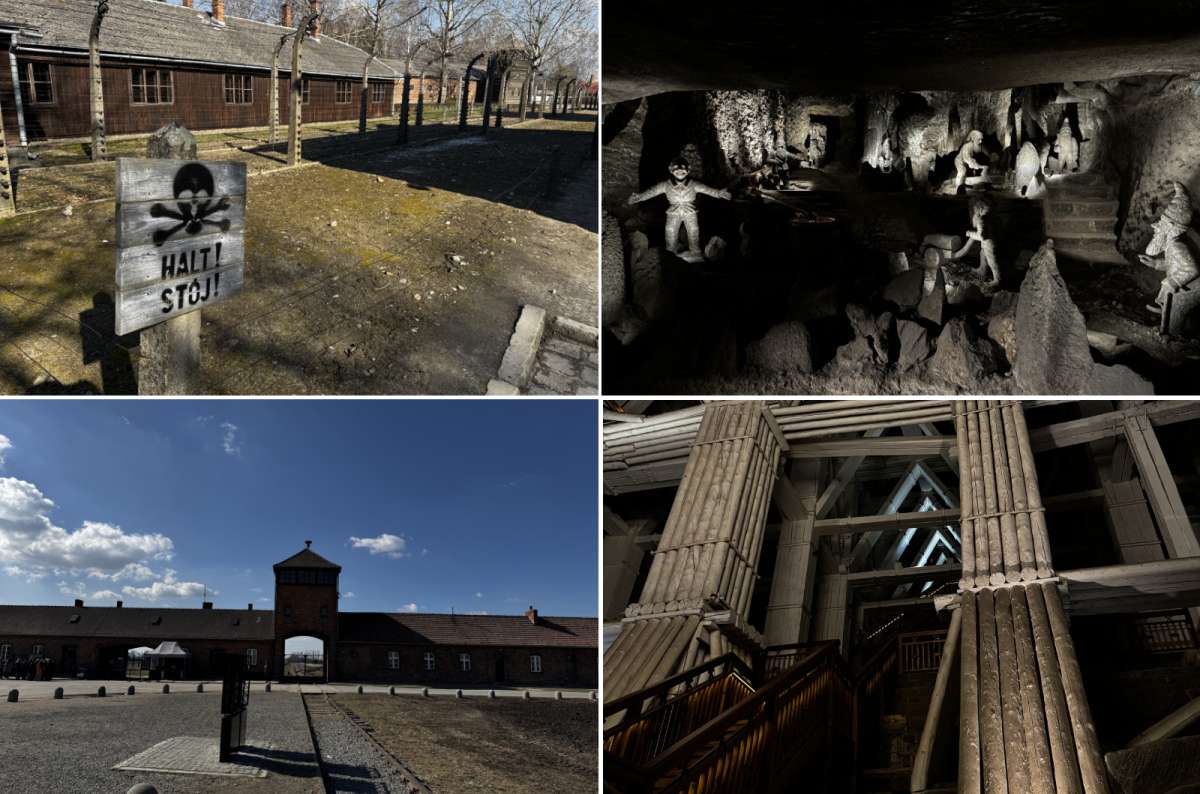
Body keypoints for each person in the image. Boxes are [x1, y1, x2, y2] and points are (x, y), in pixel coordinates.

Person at [628, 157, 731, 261]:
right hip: (674, 211)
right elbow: (652, 191)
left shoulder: (693, 184)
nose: (680, 170)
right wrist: (639, 197)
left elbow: (707, 190)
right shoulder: (666, 185)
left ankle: (695, 251)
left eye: (683, 167)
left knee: (693, 230)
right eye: (676, 167)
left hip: (690, 211)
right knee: (670, 230)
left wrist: (719, 193)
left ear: (688, 169)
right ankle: (671, 251)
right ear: (670, 169)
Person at [1139, 182, 1199, 319]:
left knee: (1172, 322)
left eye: (1161, 224)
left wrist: (1172, 282)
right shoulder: (1171, 245)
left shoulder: (1177, 247)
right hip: (1174, 294)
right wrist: (1156, 264)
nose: (1155, 226)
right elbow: (1174, 264)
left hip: (1183, 293)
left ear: (1171, 227)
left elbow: (1192, 270)